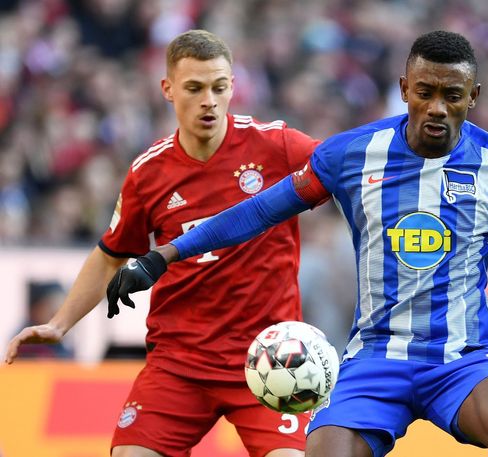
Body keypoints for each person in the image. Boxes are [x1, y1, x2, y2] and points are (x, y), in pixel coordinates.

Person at [104, 31, 488, 457]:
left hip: (461, 359)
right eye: (425, 91)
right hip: (375, 358)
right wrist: (164, 254)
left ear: (473, 97)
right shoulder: (353, 155)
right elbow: (262, 209)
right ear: (404, 88)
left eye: (452, 95)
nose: (438, 107)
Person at [5, 29, 320, 457]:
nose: (209, 99)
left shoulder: (279, 146)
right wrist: (59, 324)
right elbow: (110, 255)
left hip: (267, 360)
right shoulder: (148, 172)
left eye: (219, 87)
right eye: (194, 88)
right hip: (179, 362)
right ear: (168, 90)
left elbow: (350, 170)